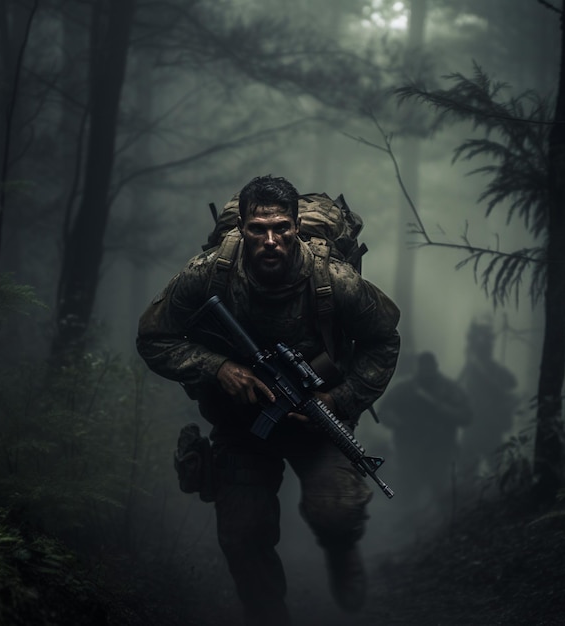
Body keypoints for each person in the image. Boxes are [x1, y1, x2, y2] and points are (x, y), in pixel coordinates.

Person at [136, 175, 400, 626]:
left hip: (315, 420)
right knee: (242, 535)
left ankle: (340, 548)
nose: (271, 240)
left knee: (336, 510)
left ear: (297, 226)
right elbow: (153, 337)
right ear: (241, 226)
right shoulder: (210, 271)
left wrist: (340, 398)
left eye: (282, 227)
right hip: (243, 427)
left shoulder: (332, 279)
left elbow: (383, 341)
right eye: (258, 229)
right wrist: (217, 368)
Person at [377, 351, 472, 514]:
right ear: (418, 368)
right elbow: (384, 411)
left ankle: (443, 531)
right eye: (423, 367)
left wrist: (443, 409)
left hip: (440, 451)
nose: (427, 371)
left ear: (435, 367)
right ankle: (408, 530)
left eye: (430, 367)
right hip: (410, 451)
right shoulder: (405, 389)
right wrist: (398, 423)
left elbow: (466, 415)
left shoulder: (449, 389)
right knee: (408, 495)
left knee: (441, 493)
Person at [458, 320, 518, 475]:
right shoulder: (471, 368)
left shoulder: (495, 370)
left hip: (491, 426)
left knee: (496, 470)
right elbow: (457, 388)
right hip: (474, 424)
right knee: (467, 470)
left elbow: (512, 383)